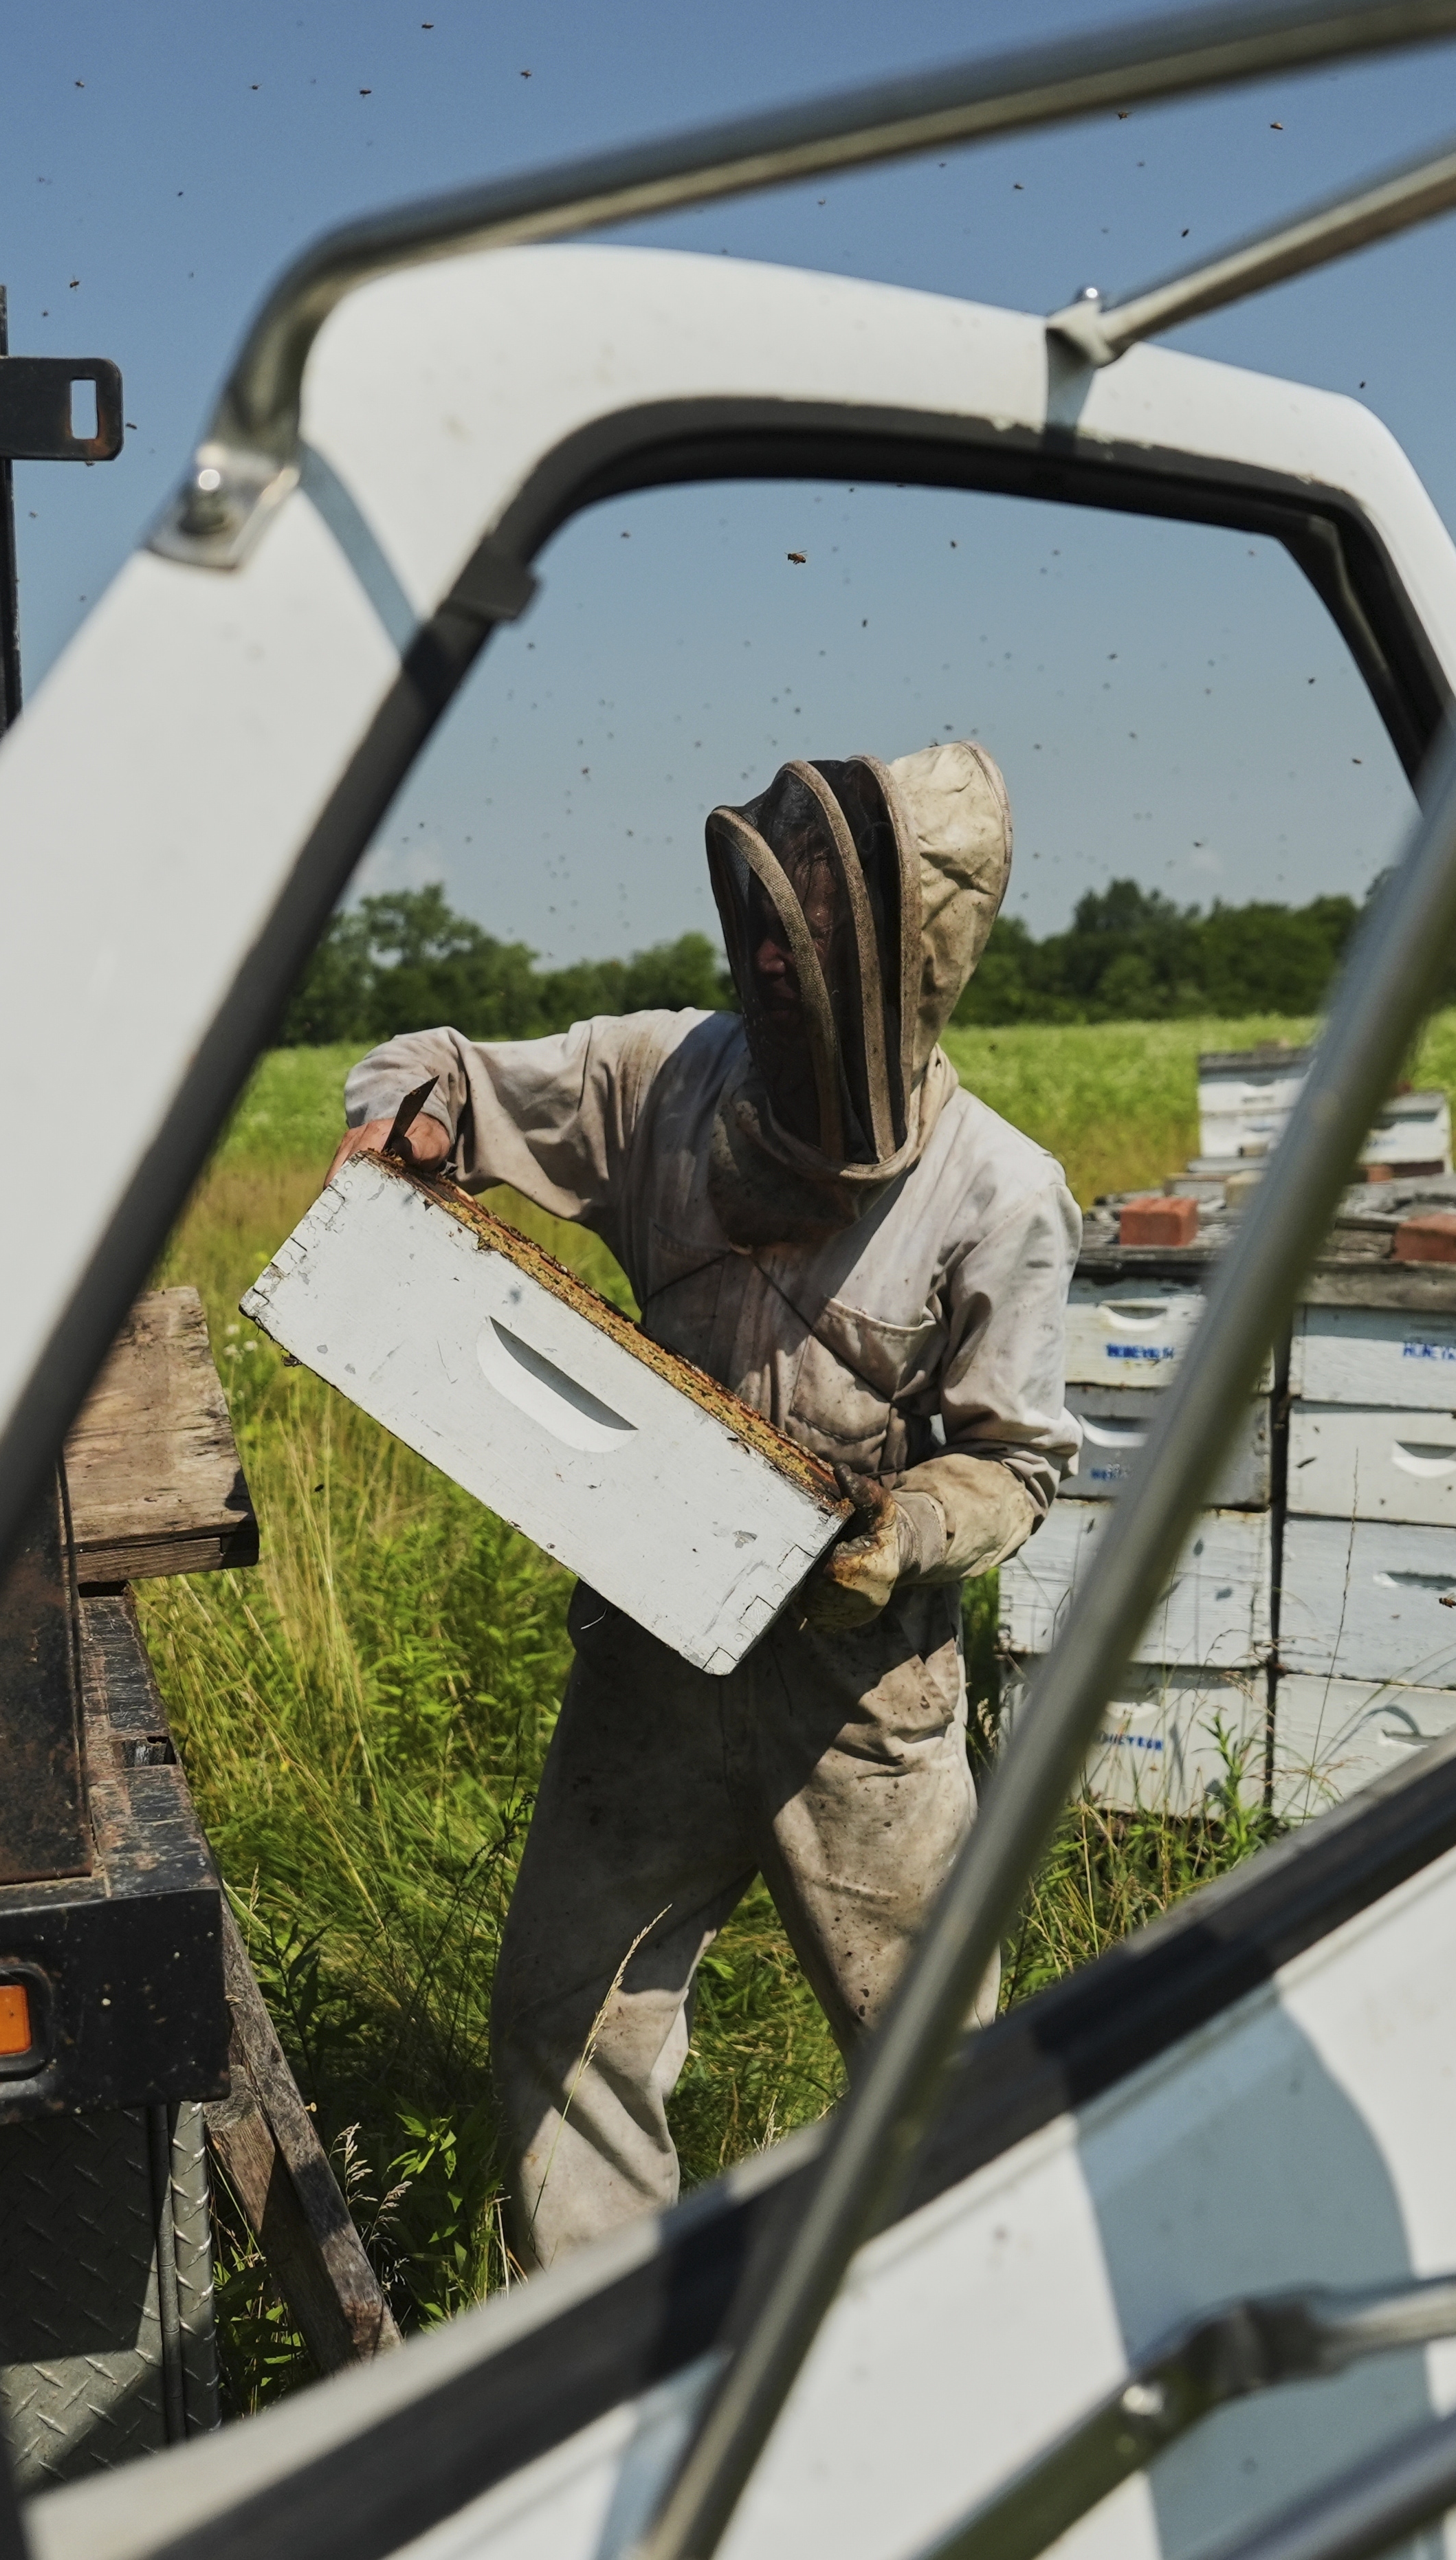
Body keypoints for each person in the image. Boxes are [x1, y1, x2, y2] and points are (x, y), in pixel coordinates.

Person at [331, 742, 1077, 2263]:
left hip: (855, 1688)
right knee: (565, 2018)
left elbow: (1018, 1465)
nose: (760, 964)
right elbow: (447, 1071)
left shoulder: (1000, 1192)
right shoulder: (655, 1077)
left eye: (797, 943)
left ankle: (970, 2339)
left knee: (935, 2063)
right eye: (762, 925)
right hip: (652, 1646)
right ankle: (601, 2367)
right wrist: (403, 1108)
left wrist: (900, 1528)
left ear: (896, 973)